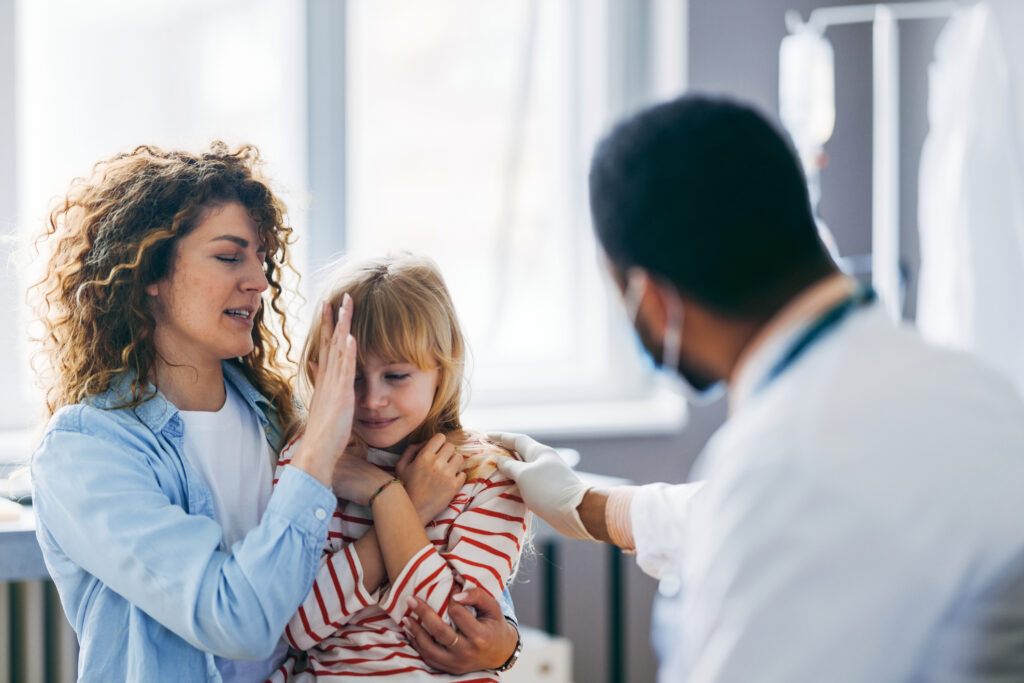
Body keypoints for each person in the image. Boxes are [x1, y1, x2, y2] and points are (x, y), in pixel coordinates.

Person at [480, 94, 1024, 681]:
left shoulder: (783, 466)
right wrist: (590, 507)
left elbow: (773, 510)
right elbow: (746, 513)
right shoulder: (972, 390)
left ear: (655, 304)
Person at [27, 144, 519, 682]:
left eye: (261, 257)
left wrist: (501, 643)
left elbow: (461, 572)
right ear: (150, 271)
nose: (259, 280)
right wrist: (394, 506)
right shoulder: (86, 450)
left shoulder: (277, 419)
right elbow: (237, 621)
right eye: (229, 255)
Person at [266, 253, 527, 681]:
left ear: (441, 368)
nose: (371, 399)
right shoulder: (308, 461)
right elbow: (296, 628)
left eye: (396, 376)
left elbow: (452, 630)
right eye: (352, 375)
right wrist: (410, 509)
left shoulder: (489, 476)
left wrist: (388, 499)